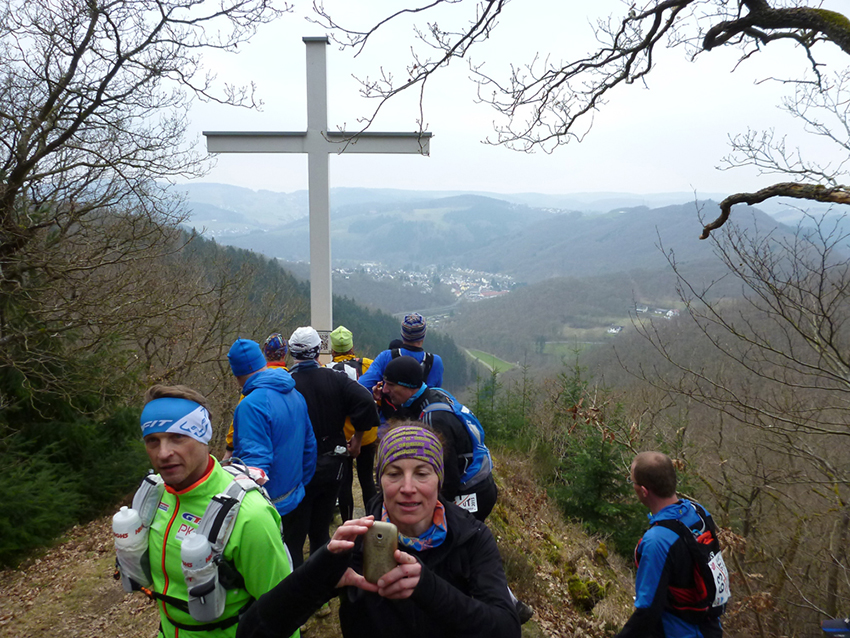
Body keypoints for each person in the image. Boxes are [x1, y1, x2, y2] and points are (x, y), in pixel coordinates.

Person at [236, 422, 520, 638]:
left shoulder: (470, 537)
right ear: (380, 480)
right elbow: (254, 630)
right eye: (394, 473)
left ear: (439, 480)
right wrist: (321, 569)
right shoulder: (357, 542)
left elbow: (507, 628)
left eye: (422, 473)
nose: (408, 488)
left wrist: (428, 588)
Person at [129, 384, 294, 638]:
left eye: (177, 437)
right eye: (153, 441)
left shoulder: (249, 515)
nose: (163, 453)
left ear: (203, 435)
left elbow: (282, 612)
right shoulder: (155, 495)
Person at [286, 326, 381, 567]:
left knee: (294, 538)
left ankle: (298, 594)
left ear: (291, 352)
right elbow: (367, 403)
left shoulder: (285, 384)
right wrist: (358, 440)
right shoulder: (336, 380)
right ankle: (321, 589)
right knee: (320, 532)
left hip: (297, 468)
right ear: (319, 350)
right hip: (332, 463)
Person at [616, 451, 727, 638]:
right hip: (711, 628)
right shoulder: (698, 512)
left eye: (632, 481)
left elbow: (647, 612)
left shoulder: (657, 541)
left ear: (643, 491)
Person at [373, 355, 498, 521]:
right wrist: (383, 401)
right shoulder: (431, 394)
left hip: (472, 493)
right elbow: (401, 420)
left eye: (390, 385)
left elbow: (448, 478)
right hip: (481, 485)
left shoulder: (434, 420)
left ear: (407, 386)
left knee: (456, 542)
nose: (385, 390)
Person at [228, 337, 317, 519]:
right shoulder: (294, 393)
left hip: (270, 509)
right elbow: (309, 446)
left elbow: (253, 465)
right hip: (296, 496)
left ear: (237, 375)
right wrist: (300, 485)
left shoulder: (250, 405)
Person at [325, 325, 379, 521]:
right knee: (367, 480)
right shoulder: (368, 365)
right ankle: (373, 521)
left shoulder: (326, 370)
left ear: (333, 349)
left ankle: (348, 523)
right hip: (366, 433)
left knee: (345, 483)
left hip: (341, 435)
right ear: (352, 347)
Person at [224, 333, 289, 461]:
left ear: (265, 353)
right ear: (284, 353)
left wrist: (229, 448)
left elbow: (236, 423)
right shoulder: (290, 382)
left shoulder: (252, 386)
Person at [358, 312, 444, 391]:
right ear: (423, 335)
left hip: (390, 407)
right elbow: (435, 392)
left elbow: (363, 386)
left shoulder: (386, 356)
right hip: (424, 407)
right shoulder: (434, 362)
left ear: (402, 334)